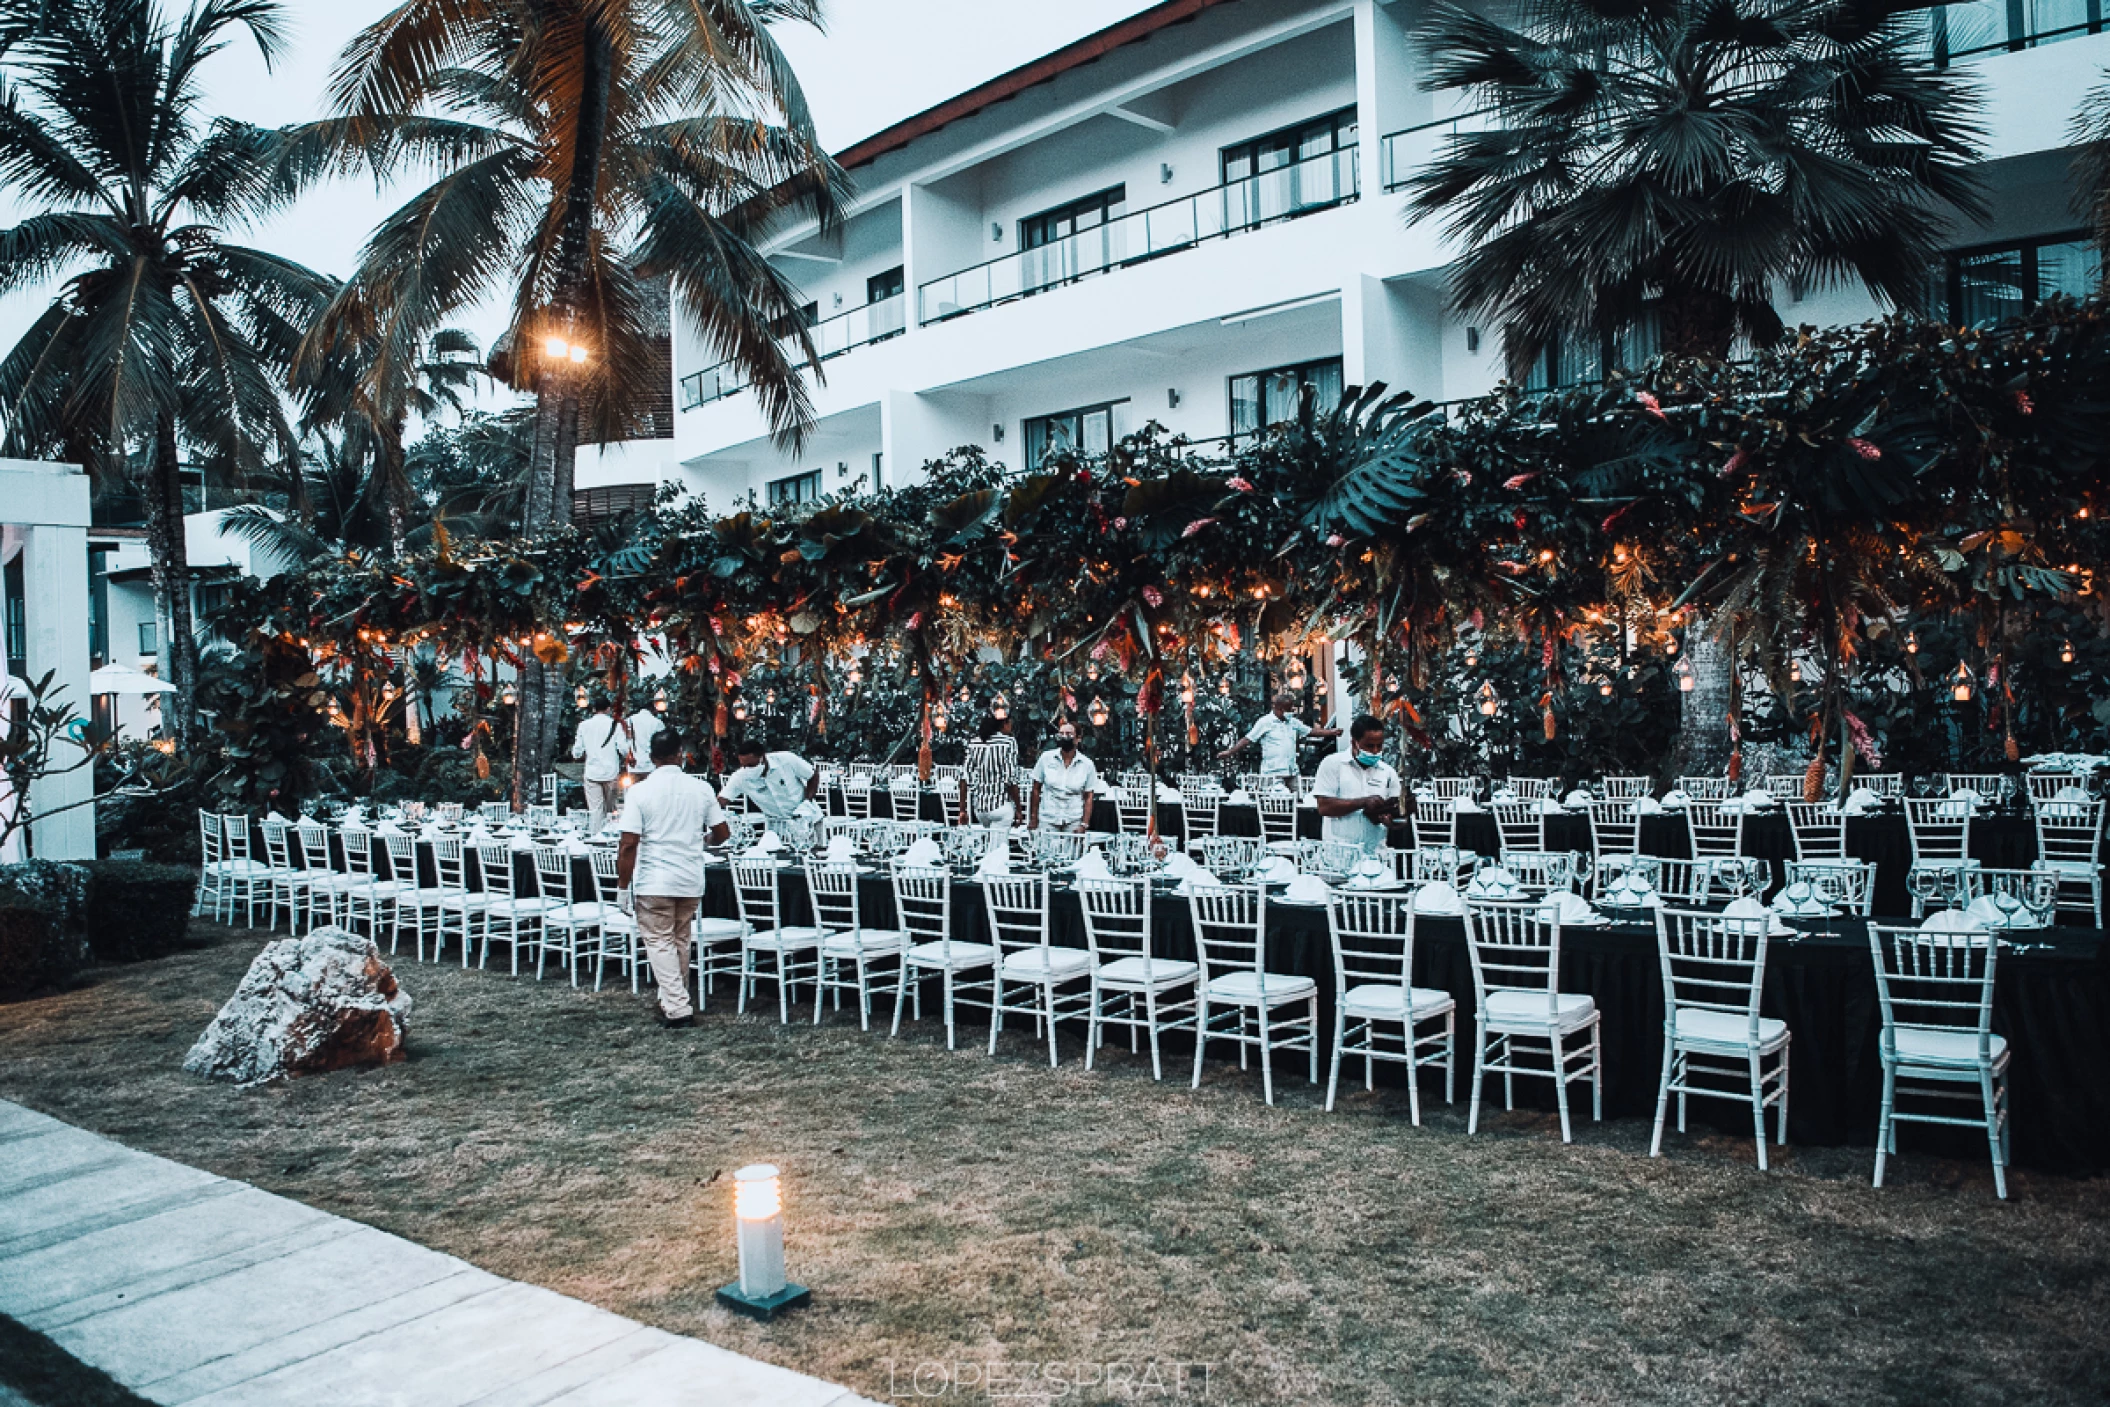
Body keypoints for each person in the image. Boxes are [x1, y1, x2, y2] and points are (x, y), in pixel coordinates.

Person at [616, 730, 731, 1028]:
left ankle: (678, 1008)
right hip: (690, 877)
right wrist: (699, 840)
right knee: (679, 940)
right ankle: (672, 1001)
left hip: (655, 878)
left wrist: (622, 888)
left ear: (651, 758)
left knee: (659, 941)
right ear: (680, 754)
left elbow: (628, 843)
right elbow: (722, 834)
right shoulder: (701, 788)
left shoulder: (639, 792)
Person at [1312, 715, 1402, 854]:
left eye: (1379, 746)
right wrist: (1362, 803)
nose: (1375, 751)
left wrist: (1391, 819)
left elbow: (1398, 814)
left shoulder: (1388, 772)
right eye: (1370, 746)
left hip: (1375, 854)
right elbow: (1324, 807)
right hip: (1339, 853)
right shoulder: (1333, 764)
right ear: (1354, 743)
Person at [1220, 691, 1339, 783]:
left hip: (1292, 771)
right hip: (1273, 773)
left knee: (1299, 800)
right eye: (1288, 710)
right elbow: (1248, 739)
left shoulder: (1292, 722)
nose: (1291, 712)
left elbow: (1310, 731)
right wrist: (1230, 752)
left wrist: (1331, 732)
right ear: (1279, 709)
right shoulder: (1265, 722)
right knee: (1276, 803)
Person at [722, 737, 821, 828]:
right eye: (743, 765)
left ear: (763, 758)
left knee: (817, 847)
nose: (747, 768)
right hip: (777, 827)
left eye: (751, 765)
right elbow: (722, 799)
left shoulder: (787, 760)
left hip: (808, 819)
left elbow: (813, 775)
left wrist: (807, 802)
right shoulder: (740, 777)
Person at [568, 696, 628, 829]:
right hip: (611, 773)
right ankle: (610, 838)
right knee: (611, 811)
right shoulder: (615, 725)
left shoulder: (583, 726)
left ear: (594, 709)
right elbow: (624, 750)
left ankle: (596, 840)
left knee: (595, 811)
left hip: (592, 774)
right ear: (608, 709)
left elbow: (576, 752)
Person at [1029, 722, 1100, 831]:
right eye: (1061, 734)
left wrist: (1084, 824)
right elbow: (1035, 788)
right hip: (1048, 817)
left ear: (1078, 738)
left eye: (1069, 734)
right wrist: (1034, 818)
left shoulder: (1087, 764)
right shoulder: (1046, 758)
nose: (1064, 737)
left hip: (1073, 819)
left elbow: (1089, 796)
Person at [962, 713, 1019, 829]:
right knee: (1000, 846)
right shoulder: (1008, 742)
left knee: (989, 843)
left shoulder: (974, 743)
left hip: (980, 808)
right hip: (1001, 805)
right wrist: (1019, 808)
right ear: (1004, 724)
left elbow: (964, 777)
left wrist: (962, 809)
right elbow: (1010, 779)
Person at [624, 700, 664, 776]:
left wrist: (628, 755)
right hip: (651, 766)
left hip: (633, 765)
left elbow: (623, 743)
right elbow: (662, 745)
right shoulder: (657, 723)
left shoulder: (629, 721)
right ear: (653, 709)